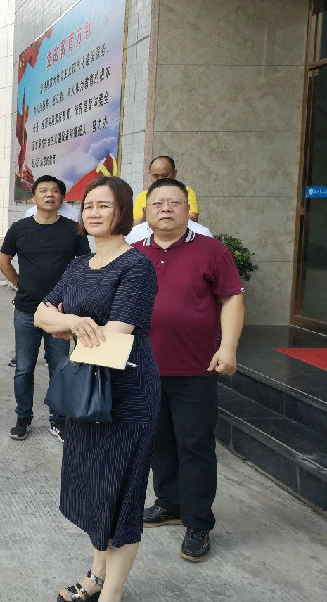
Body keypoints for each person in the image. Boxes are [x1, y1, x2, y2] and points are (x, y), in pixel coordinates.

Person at [35, 176, 159, 602]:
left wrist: (65, 326)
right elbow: (40, 315)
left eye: (104, 205)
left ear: (123, 212)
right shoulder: (78, 265)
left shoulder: (136, 267)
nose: (93, 212)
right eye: (88, 205)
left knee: (121, 493)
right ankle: (96, 575)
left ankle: (112, 594)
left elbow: (114, 336)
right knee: (94, 486)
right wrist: (72, 322)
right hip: (85, 390)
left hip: (127, 392)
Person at [133, 178, 244, 563]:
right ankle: (170, 503)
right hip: (144, 368)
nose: (165, 208)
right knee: (158, 441)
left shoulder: (212, 251)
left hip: (196, 368)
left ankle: (198, 521)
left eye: (174, 202)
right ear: (145, 212)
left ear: (188, 210)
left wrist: (227, 347)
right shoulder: (133, 253)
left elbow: (231, 299)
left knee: (195, 445)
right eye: (157, 203)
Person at [0, 175, 90, 442]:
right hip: (26, 310)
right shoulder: (20, 228)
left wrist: (70, 298)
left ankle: (58, 420)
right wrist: (21, 285)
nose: (49, 195)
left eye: (54, 191)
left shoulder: (73, 230)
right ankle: (23, 417)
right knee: (23, 368)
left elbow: (85, 267)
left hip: (60, 313)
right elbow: (3, 262)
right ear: (34, 197)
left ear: (62, 198)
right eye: (43, 190)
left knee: (59, 366)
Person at [133, 155, 199, 225]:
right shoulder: (142, 196)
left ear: (174, 173)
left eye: (165, 176)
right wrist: (143, 219)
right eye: (155, 176)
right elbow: (134, 224)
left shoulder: (185, 192)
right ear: (150, 174)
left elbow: (193, 218)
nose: (160, 180)